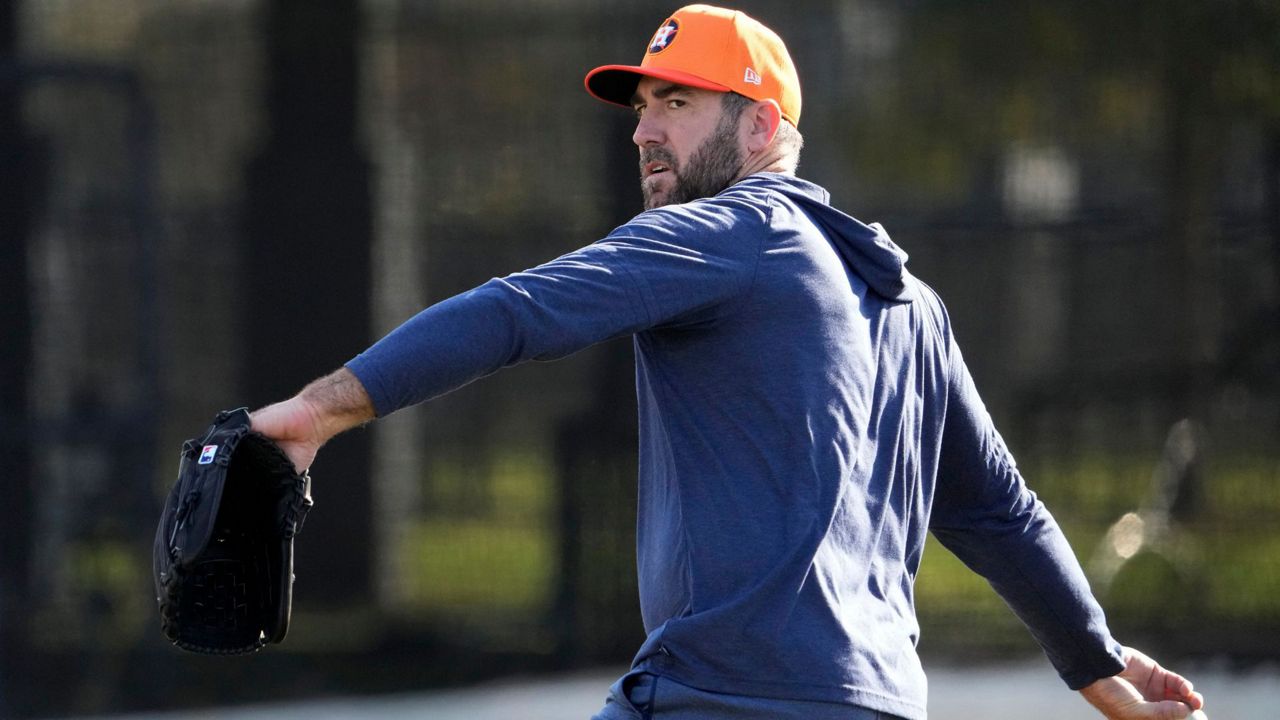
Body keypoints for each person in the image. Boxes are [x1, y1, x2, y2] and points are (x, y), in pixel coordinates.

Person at [250, 5, 1207, 719]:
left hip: (726, 694)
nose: (643, 130)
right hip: (873, 701)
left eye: (677, 102)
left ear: (759, 128)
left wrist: (318, 410)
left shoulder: (734, 230)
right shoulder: (907, 297)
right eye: (642, 106)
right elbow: (997, 507)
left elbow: (518, 311)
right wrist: (1099, 665)